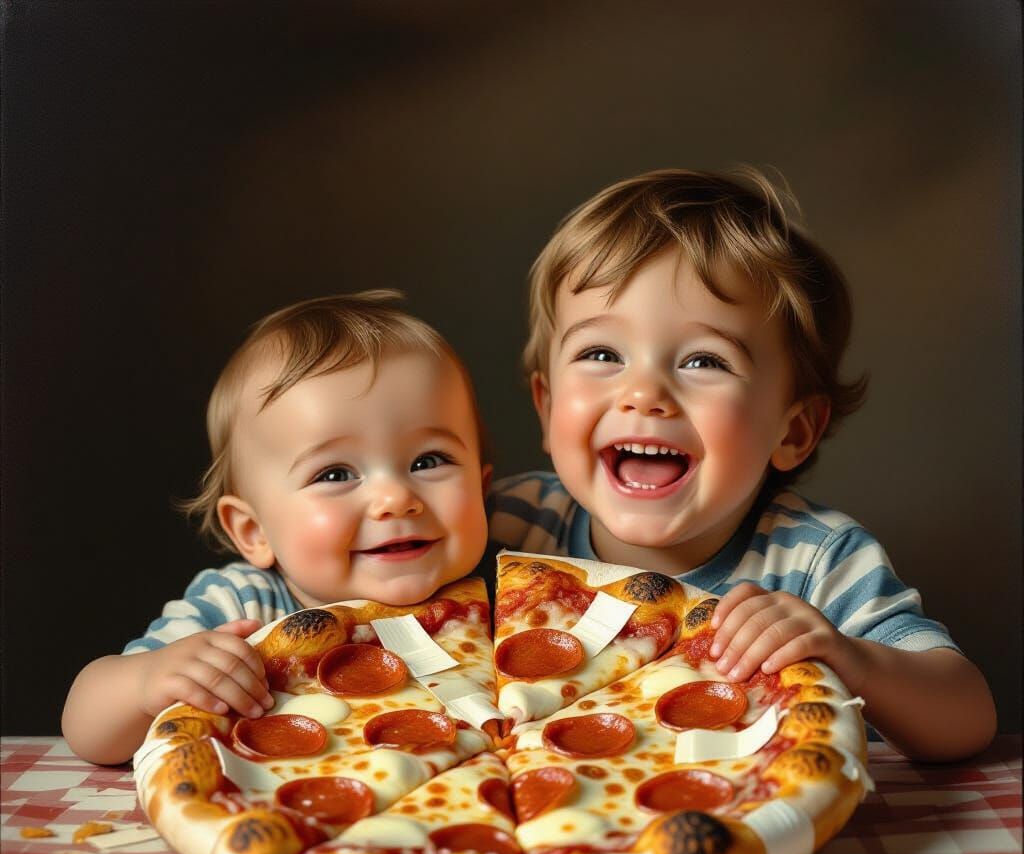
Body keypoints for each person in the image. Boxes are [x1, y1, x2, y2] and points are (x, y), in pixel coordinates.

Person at [487, 168, 996, 763]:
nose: (644, 394)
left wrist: (851, 658)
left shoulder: (815, 561)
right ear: (548, 406)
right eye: (601, 353)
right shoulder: (505, 526)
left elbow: (967, 719)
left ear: (793, 431)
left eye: (704, 361)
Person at [63, 291, 491, 765]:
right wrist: (147, 680)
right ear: (254, 531)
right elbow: (87, 729)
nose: (394, 498)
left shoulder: (516, 583)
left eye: (428, 461)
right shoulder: (243, 605)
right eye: (335, 474)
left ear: (483, 485)